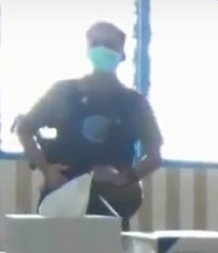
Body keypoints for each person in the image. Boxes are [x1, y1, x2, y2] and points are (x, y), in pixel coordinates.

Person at [16, 21, 163, 229]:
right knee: (55, 249)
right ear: (87, 49)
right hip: (63, 197)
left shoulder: (135, 103)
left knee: (108, 250)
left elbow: (155, 156)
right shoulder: (63, 92)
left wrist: (125, 177)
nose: (102, 48)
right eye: (96, 43)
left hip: (112, 201)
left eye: (109, 44)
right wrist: (46, 170)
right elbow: (24, 129)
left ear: (122, 53)